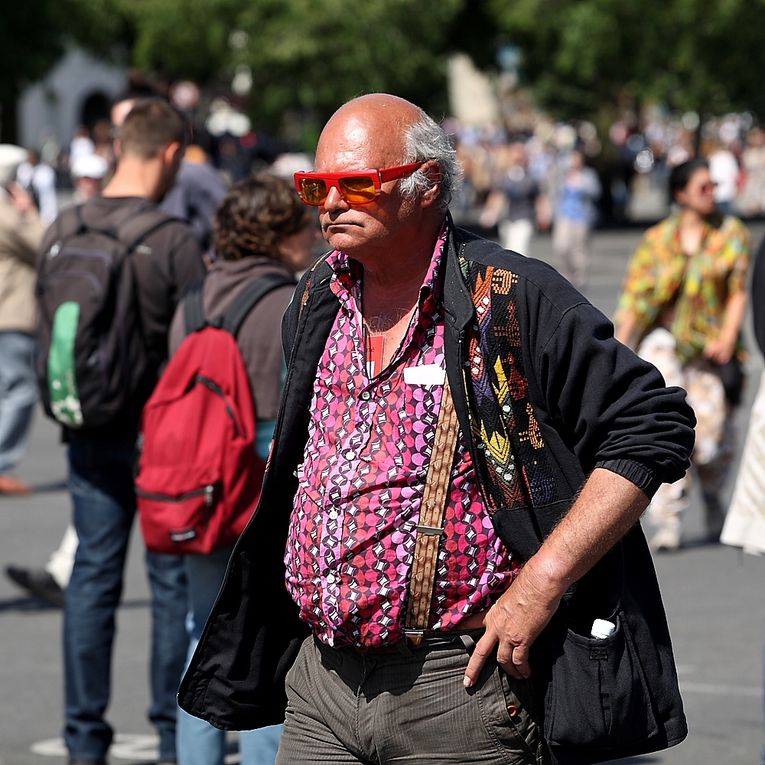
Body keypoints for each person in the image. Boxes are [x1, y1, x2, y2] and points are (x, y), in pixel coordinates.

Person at [178, 94, 695, 764]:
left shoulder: (507, 293)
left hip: (457, 689)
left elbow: (650, 422)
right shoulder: (314, 297)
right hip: (320, 684)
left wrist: (542, 582)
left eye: (355, 184)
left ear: (425, 184)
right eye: (315, 186)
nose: (329, 203)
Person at [39, 98, 206, 765]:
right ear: (168, 153)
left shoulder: (64, 223)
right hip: (158, 435)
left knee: (92, 576)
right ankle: (171, 735)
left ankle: (84, 737)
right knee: (168, 587)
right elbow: (197, 348)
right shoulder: (170, 238)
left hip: (86, 425)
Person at [170, 173, 314, 765]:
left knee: (202, 635)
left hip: (200, 482)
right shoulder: (291, 302)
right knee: (269, 645)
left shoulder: (194, 300)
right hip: (261, 482)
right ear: (282, 236)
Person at [615, 158, 750, 552]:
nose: (712, 193)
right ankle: (669, 519)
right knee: (669, 429)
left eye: (713, 186)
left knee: (711, 439)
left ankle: (712, 498)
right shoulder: (657, 240)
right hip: (666, 344)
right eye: (703, 187)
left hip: (711, 350)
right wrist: (619, 351)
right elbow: (635, 300)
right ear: (681, 194)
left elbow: (739, 289)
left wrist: (727, 336)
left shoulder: (731, 233)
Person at [0, 156, 45, 495]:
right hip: (11, 312)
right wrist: (28, 211)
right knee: (20, 389)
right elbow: (45, 245)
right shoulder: (7, 215)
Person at [479, 141, 546, 256]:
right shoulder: (505, 177)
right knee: (509, 250)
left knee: (519, 250)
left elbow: (539, 198)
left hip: (524, 218)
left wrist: (543, 214)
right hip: (508, 219)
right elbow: (497, 195)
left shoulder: (531, 179)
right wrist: (490, 212)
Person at [551, 147, 601, 290]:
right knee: (561, 247)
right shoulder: (563, 175)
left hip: (582, 216)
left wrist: (581, 185)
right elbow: (554, 192)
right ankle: (566, 275)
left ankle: (579, 277)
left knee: (579, 248)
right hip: (564, 215)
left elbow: (596, 192)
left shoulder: (588, 175)